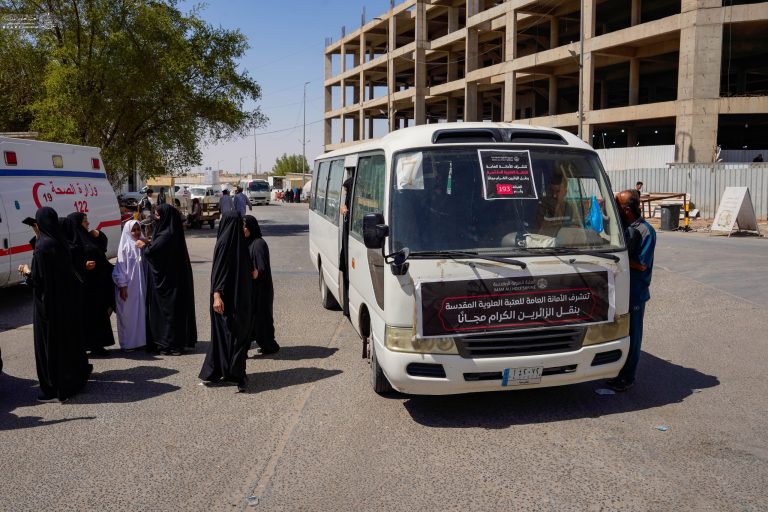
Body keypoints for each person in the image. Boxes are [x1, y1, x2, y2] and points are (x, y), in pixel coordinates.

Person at [18, 207, 92, 402]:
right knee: (63, 344)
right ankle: (68, 382)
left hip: (46, 306)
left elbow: (38, 280)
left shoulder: (42, 248)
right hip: (62, 302)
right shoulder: (60, 242)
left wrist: (26, 271)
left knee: (48, 347)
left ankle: (52, 389)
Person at [606, 190, 656, 392]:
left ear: (626, 209)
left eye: (617, 205)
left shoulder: (646, 231)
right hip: (622, 288)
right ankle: (617, 370)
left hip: (635, 291)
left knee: (633, 334)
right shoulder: (623, 228)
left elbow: (642, 264)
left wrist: (618, 259)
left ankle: (627, 377)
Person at [199, 211, 252, 392]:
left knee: (237, 334)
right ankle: (233, 373)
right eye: (240, 223)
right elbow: (218, 272)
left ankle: (234, 372)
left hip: (240, 298)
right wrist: (216, 296)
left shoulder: (239, 243)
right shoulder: (224, 244)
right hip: (224, 298)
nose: (243, 226)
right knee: (227, 335)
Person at [141, 204, 197, 355]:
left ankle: (170, 344)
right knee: (172, 312)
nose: (155, 218)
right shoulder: (172, 233)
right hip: (172, 281)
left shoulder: (167, 235)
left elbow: (153, 252)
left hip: (167, 284)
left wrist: (144, 247)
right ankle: (171, 343)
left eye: (158, 215)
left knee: (168, 313)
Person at [68, 212, 115, 356]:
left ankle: (98, 345)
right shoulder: (71, 242)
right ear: (77, 223)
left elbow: (102, 248)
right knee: (88, 316)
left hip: (97, 284)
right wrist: (83, 265)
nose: (88, 223)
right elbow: (69, 263)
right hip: (85, 287)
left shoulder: (87, 237)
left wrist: (99, 234)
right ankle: (88, 345)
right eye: (84, 221)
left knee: (99, 314)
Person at [243, 215, 279, 356]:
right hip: (253, 290)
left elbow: (261, 268)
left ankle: (269, 345)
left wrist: (251, 273)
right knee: (251, 319)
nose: (242, 229)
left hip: (261, 290)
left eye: (244, 226)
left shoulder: (258, 244)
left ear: (251, 227)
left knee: (262, 319)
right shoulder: (247, 242)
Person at [112, 221, 147, 351]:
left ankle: (141, 341)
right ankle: (128, 344)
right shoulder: (125, 247)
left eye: (138, 229)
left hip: (141, 286)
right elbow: (120, 269)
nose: (137, 232)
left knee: (141, 314)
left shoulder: (143, 244)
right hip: (129, 287)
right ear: (128, 231)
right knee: (128, 316)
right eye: (134, 230)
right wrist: (122, 286)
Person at [339, 170, 354, 317]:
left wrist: (346, 212)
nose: (345, 194)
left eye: (346, 191)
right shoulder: (348, 205)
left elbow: (355, 218)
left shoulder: (351, 206)